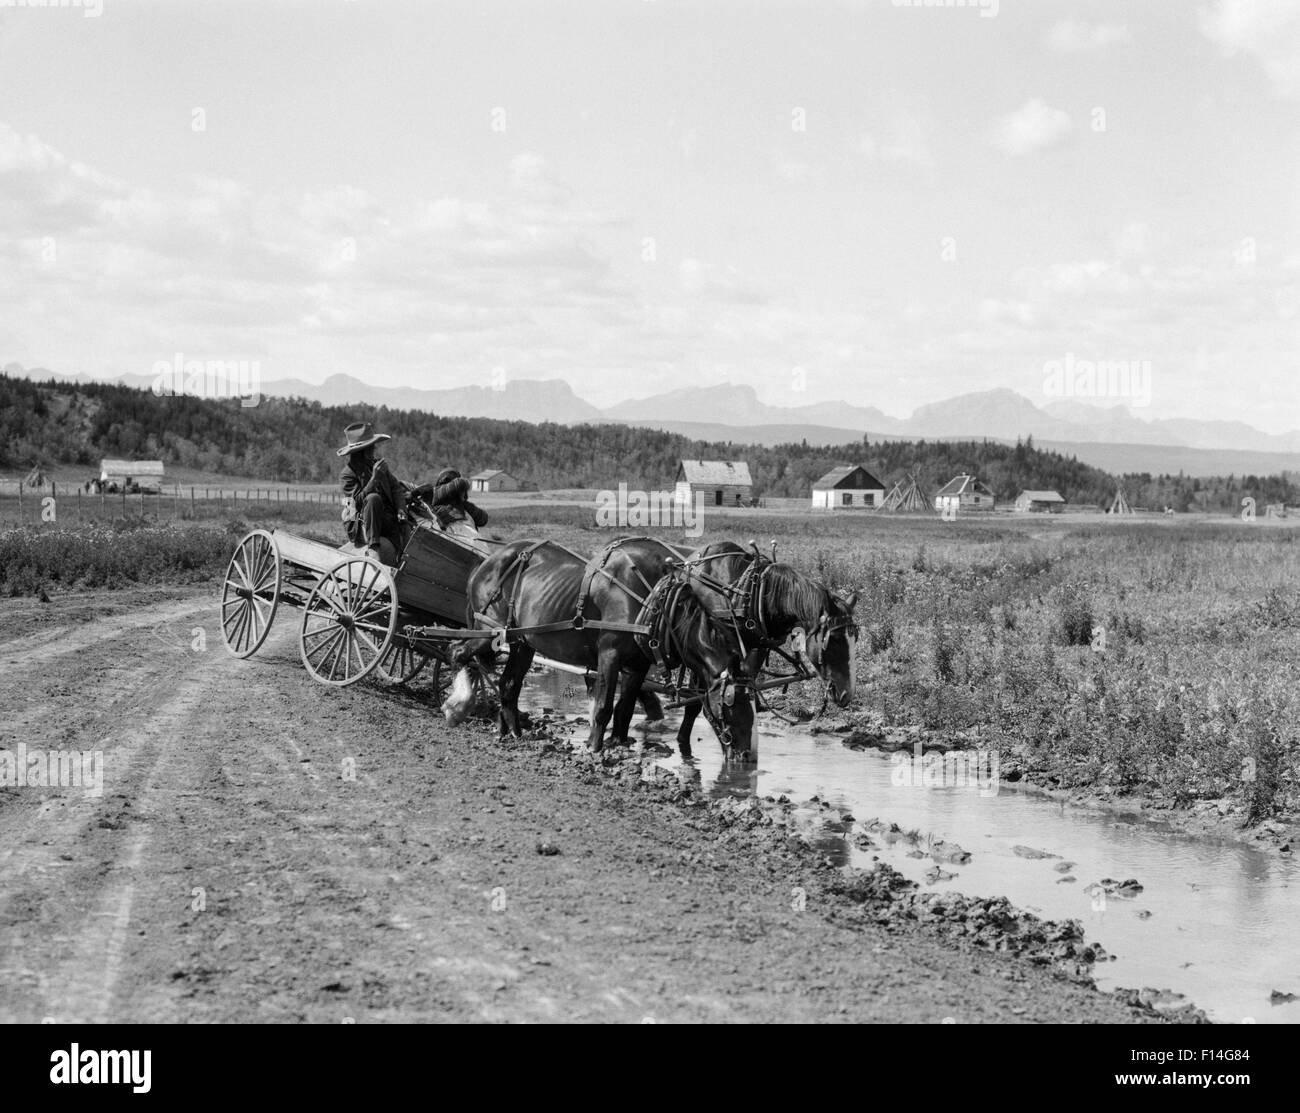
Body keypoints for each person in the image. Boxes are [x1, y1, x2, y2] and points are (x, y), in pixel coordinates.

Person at [337, 421, 431, 565]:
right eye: (369, 447)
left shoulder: (377, 465)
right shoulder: (347, 474)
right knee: (373, 498)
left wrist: (400, 509)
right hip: (364, 522)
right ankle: (374, 547)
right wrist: (374, 479)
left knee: (409, 529)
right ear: (359, 452)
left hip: (387, 518)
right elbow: (357, 501)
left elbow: (396, 488)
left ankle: (406, 561)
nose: (373, 449)